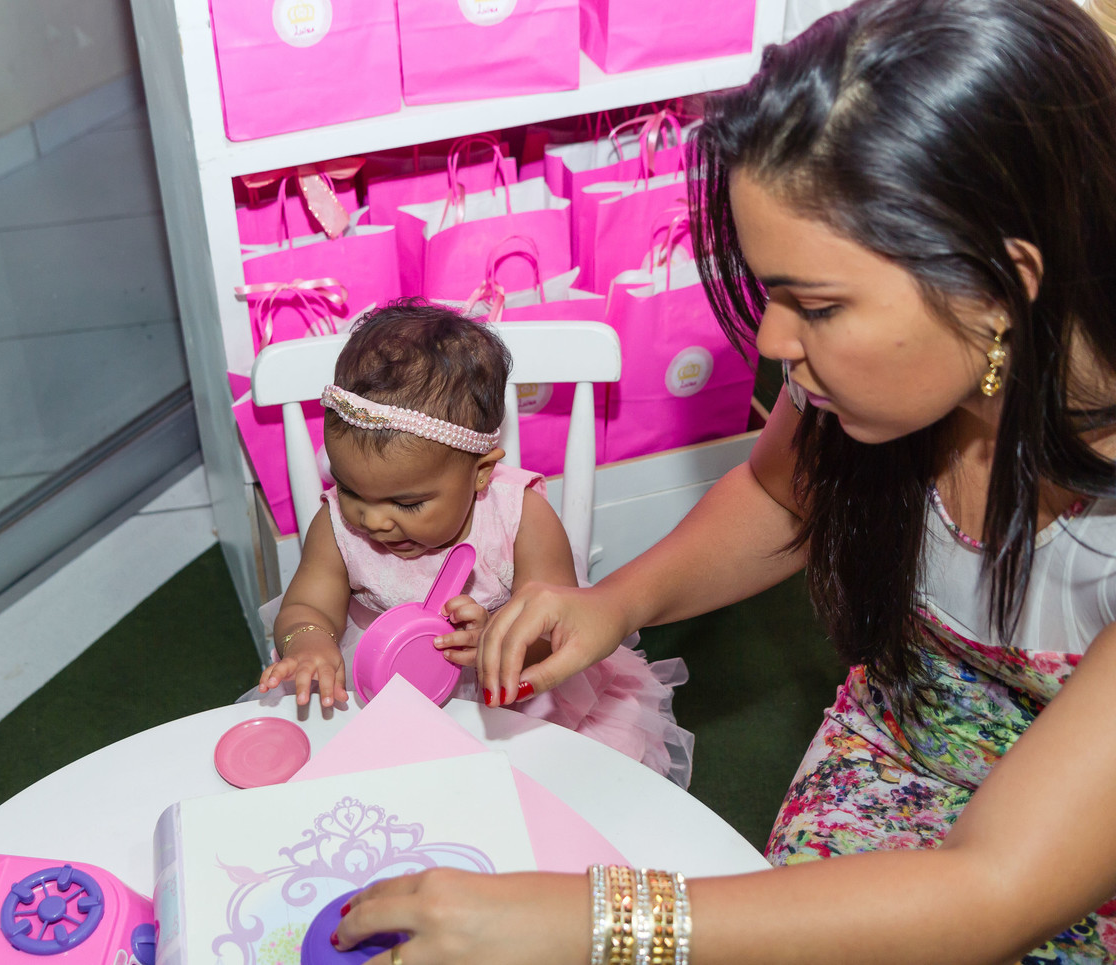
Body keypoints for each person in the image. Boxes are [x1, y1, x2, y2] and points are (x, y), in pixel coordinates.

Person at [329, 0, 1116, 962]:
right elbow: (781, 496)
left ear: (1001, 284)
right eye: (772, 291)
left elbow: (994, 890)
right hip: (902, 752)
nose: (775, 342)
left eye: (816, 304)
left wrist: (591, 921)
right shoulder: (883, 391)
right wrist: (613, 604)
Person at [257, 299, 694, 786]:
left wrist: (500, 641)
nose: (373, 520)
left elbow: (559, 631)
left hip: (515, 698)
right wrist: (308, 642)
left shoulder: (519, 516)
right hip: (377, 687)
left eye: (406, 504)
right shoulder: (336, 520)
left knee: (548, 792)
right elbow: (304, 608)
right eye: (353, 490)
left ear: (480, 473)